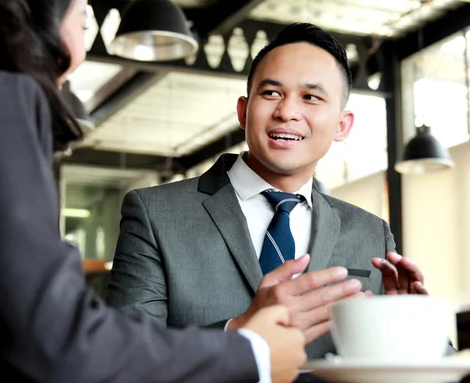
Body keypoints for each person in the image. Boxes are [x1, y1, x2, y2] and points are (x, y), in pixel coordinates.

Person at [0, 0, 308, 382]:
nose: (78, 52)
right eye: (83, 20)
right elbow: (59, 339)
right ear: (40, 16)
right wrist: (250, 352)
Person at [105, 22, 429, 359]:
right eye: (271, 93)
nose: (287, 112)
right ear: (244, 111)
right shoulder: (156, 213)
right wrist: (242, 332)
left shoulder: (370, 233)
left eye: (311, 97)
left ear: (341, 125)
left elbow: (435, 363)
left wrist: (406, 329)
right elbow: (120, 355)